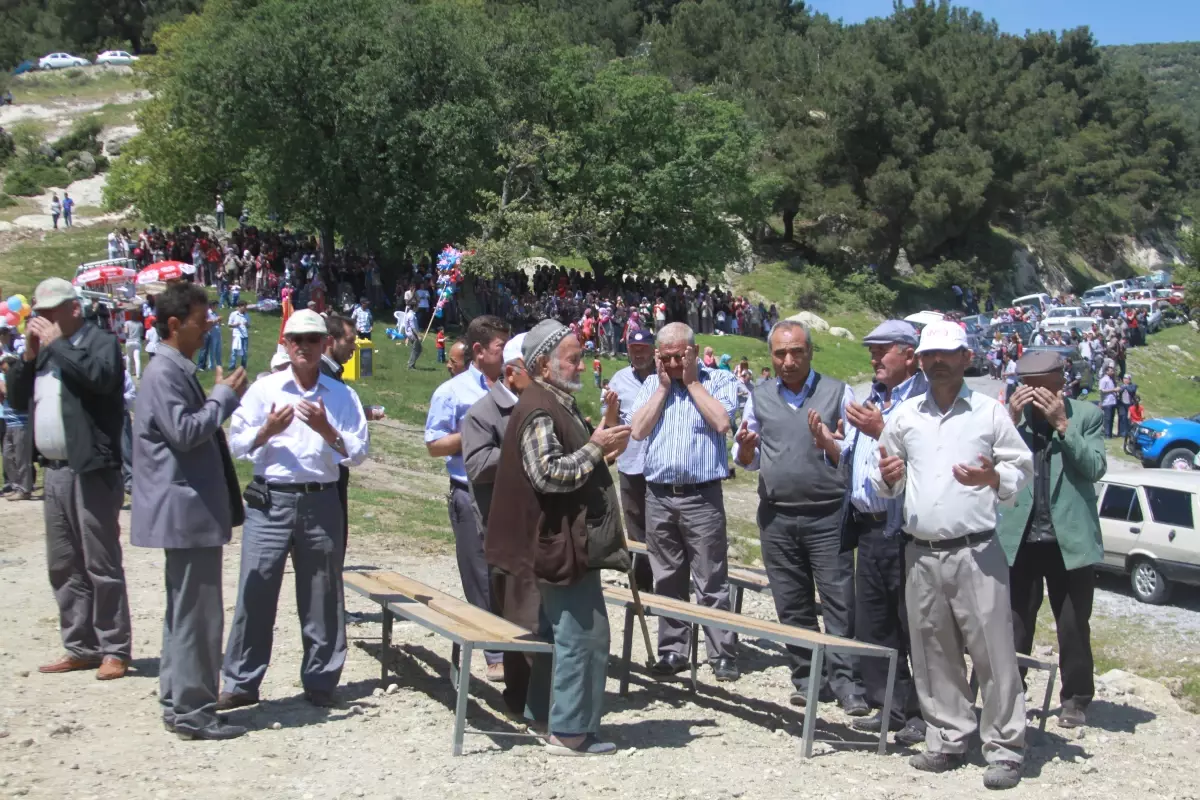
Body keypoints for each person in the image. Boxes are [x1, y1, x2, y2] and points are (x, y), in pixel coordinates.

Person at [872, 319, 1033, 791]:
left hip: (976, 549)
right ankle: (947, 737)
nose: (938, 362)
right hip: (920, 552)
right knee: (932, 649)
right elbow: (886, 480)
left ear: (966, 358)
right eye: (930, 355)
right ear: (919, 361)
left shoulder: (988, 413)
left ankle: (1005, 747)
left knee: (993, 651)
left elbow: (1019, 465)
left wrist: (993, 480)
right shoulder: (905, 416)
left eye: (948, 354)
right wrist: (888, 476)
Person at [485, 320, 632, 755]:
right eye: (573, 357)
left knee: (556, 633)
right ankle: (569, 733)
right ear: (544, 365)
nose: (582, 365)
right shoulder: (539, 406)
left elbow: (564, 461)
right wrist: (594, 448)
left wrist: (598, 445)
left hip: (557, 541)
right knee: (583, 634)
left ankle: (545, 715)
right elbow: (548, 475)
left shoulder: (552, 402)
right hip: (555, 544)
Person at [220, 309, 369, 709]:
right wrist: (265, 432)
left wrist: (327, 431)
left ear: (325, 345)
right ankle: (240, 682)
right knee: (256, 588)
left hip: (321, 497)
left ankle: (321, 682)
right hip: (270, 500)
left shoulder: (341, 395)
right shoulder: (265, 390)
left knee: (322, 593)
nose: (304, 346)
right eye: (296, 339)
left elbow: (358, 453)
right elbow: (235, 444)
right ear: (285, 344)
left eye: (312, 339)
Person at [130, 283, 249, 740]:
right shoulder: (164, 372)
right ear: (175, 324)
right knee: (198, 615)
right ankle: (195, 711)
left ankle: (177, 700)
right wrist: (221, 397)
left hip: (186, 513)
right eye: (203, 322)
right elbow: (184, 432)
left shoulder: (169, 369)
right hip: (186, 512)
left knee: (184, 612)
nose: (209, 331)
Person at [732, 320, 865, 712]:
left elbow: (853, 457)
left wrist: (827, 441)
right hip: (777, 517)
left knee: (840, 601)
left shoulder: (839, 393)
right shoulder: (758, 396)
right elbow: (749, 460)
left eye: (796, 352)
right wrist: (743, 451)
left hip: (828, 517)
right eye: (779, 354)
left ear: (810, 352)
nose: (788, 361)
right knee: (792, 603)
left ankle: (847, 683)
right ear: (770, 356)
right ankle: (808, 677)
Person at [6, 278, 132, 679]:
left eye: (48, 313)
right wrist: (28, 358)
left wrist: (57, 346)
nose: (40, 321)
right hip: (56, 469)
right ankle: (80, 644)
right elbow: (15, 399)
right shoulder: (44, 351)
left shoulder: (99, 342)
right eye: (37, 314)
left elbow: (100, 379)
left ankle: (114, 647)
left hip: (91, 465)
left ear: (73, 309)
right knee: (63, 562)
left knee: (101, 560)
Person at [1000, 351, 1106, 730]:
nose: (1035, 394)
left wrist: (1063, 424)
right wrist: (1009, 420)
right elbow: (986, 461)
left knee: (1073, 624)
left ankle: (1076, 698)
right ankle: (1011, 691)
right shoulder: (1012, 419)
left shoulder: (1086, 415)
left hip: (1068, 539)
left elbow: (1095, 467)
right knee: (1014, 622)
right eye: (1027, 386)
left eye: (1043, 386)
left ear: (1061, 381)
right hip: (1021, 537)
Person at [630, 322, 740, 683]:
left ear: (694, 351)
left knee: (710, 578)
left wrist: (692, 382)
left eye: (681, 356)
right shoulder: (652, 383)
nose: (674, 364)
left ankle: (721, 653)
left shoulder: (718, 381)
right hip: (659, 495)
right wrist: (663, 387)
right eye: (667, 357)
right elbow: (638, 429)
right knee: (667, 577)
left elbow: (722, 422)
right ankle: (673, 649)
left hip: (701, 495)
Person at [837, 321, 928, 743]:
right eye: (870, 350)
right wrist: (830, 442)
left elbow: (925, 459)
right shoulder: (871, 398)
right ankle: (887, 705)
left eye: (882, 350)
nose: (874, 358)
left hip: (904, 529)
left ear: (909, 354)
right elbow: (858, 458)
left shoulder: (925, 401)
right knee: (874, 624)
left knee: (912, 625)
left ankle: (923, 712)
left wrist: (880, 431)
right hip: (868, 527)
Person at [462, 333, 544, 723]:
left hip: (545, 531)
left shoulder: (542, 406)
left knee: (542, 617)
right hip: (507, 533)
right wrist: (526, 445)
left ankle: (542, 698)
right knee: (517, 620)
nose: (545, 375)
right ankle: (521, 700)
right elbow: (476, 467)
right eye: (536, 368)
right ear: (513, 373)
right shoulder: (482, 413)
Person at [425, 315, 511, 681]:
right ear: (478, 351)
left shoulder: (512, 386)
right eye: (499, 348)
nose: (505, 355)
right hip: (469, 492)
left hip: (511, 494)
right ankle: (494, 653)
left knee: (510, 572)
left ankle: (516, 644)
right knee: (479, 574)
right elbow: (433, 445)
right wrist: (477, 435)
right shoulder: (452, 392)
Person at [606, 329, 657, 592]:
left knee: (662, 525)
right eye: (633, 348)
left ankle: (668, 581)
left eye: (643, 348)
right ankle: (642, 583)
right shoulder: (619, 380)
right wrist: (612, 412)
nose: (638, 353)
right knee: (636, 525)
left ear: (653, 348)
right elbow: (611, 425)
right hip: (631, 463)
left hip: (661, 466)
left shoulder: (666, 377)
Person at [1, 352, 33, 500]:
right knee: (7, 457)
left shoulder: (17, 381)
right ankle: (15, 485)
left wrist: (4, 388)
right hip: (9, 423)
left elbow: (10, 394)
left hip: (21, 423)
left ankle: (25, 489)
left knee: (21, 458)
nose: (3, 370)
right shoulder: (6, 379)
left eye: (5, 367)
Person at [227, 301, 249, 371]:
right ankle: (232, 366)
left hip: (245, 336)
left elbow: (248, 326)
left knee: (244, 352)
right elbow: (229, 324)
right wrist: (235, 325)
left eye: (246, 306)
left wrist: (247, 324)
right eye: (244, 306)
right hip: (236, 335)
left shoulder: (246, 315)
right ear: (240, 306)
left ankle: (243, 366)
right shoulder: (234, 314)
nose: (245, 308)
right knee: (234, 351)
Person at [1097, 365, 1117, 438]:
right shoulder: (1104, 380)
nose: (1112, 372)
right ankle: (1107, 434)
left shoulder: (1111, 379)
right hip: (1107, 402)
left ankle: (1110, 434)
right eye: (1111, 371)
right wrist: (1113, 390)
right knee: (1107, 419)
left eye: (1113, 371)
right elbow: (1102, 390)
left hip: (1112, 402)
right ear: (1106, 371)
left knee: (1111, 419)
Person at [123, 311, 144, 379]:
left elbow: (126, 332)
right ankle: (138, 374)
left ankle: (128, 372)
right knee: (137, 358)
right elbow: (141, 334)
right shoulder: (140, 324)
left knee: (129, 357)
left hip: (129, 341)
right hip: (137, 342)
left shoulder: (127, 323)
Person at [1116, 374, 1138, 439]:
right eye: (1124, 378)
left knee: (1128, 419)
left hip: (1130, 405)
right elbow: (1118, 391)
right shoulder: (1121, 385)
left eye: (1126, 378)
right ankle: (1120, 433)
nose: (1125, 380)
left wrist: (1125, 387)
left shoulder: (1133, 385)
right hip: (1122, 404)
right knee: (1122, 418)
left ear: (1129, 380)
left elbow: (1132, 390)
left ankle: (1127, 433)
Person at [405, 305, 422, 370]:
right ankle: (410, 365)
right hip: (413, 334)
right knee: (416, 350)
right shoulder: (411, 315)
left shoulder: (408, 314)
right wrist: (418, 336)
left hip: (410, 334)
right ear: (414, 307)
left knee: (416, 349)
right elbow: (413, 327)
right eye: (417, 306)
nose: (418, 307)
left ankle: (411, 363)